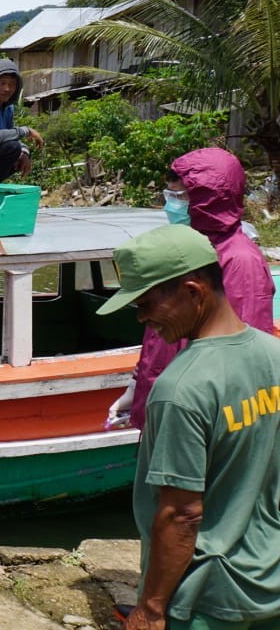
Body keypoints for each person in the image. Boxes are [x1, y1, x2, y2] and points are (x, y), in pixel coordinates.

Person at [96, 223, 280, 630]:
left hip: (206, 596)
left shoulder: (181, 388)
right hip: (269, 580)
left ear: (193, 292)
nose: (144, 320)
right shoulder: (274, 354)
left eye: (146, 304)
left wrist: (151, 609)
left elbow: (181, 514)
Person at [107, 147, 275, 431]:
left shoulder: (239, 259)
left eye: (179, 197)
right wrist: (138, 385)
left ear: (208, 200)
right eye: (168, 196)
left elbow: (241, 355)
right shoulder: (185, 250)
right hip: (168, 399)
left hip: (198, 413)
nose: (171, 205)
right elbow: (158, 334)